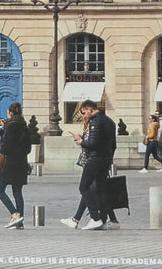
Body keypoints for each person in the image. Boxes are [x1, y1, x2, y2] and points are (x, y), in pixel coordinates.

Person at [71, 99, 115, 230]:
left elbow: (93, 144)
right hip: (106, 159)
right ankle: (103, 219)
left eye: (84, 112)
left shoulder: (96, 121)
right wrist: (109, 158)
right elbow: (114, 145)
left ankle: (95, 218)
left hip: (95, 158)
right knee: (100, 188)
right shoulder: (110, 121)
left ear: (90, 109)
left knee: (83, 187)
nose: (84, 116)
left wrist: (80, 141)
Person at [0, 102, 30, 228]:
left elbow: (6, 146)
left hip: (10, 163)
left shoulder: (11, 126)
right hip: (22, 162)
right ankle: (19, 223)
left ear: (10, 113)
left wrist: (2, 153)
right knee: (17, 192)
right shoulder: (24, 126)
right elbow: (28, 148)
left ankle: (15, 214)